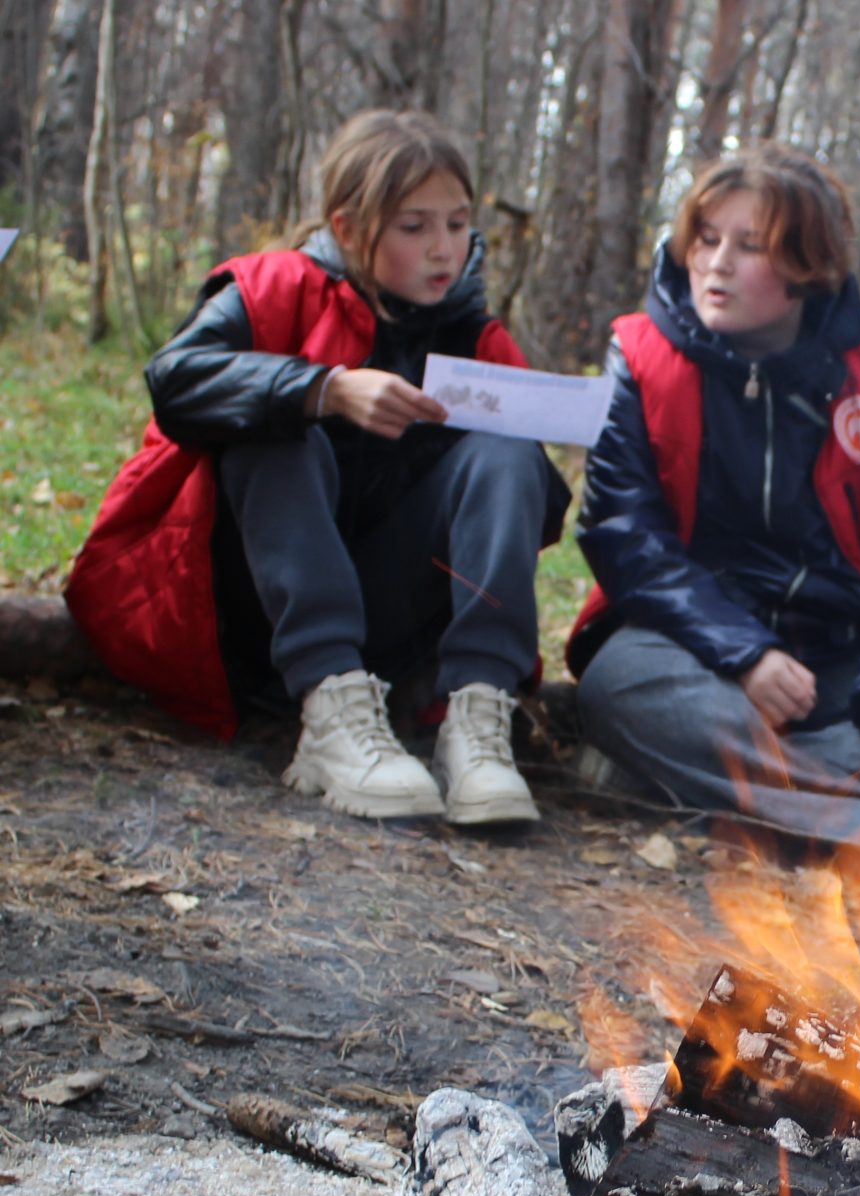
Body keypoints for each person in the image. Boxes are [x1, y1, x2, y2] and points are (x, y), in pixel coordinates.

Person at [67, 109, 567, 825]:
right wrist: (323, 389)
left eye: (458, 224)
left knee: (506, 450)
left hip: (394, 619)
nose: (444, 250)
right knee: (277, 428)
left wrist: (507, 438)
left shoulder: (475, 336)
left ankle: (475, 725)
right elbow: (175, 378)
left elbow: (533, 515)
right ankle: (330, 712)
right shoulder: (274, 285)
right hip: (253, 616)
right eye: (414, 226)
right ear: (350, 223)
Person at [567, 144, 860, 888]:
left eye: (751, 248)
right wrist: (743, 652)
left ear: (808, 266)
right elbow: (624, 536)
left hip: (840, 658)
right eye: (706, 239)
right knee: (615, 684)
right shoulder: (642, 356)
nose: (714, 264)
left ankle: (667, 778)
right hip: (692, 652)